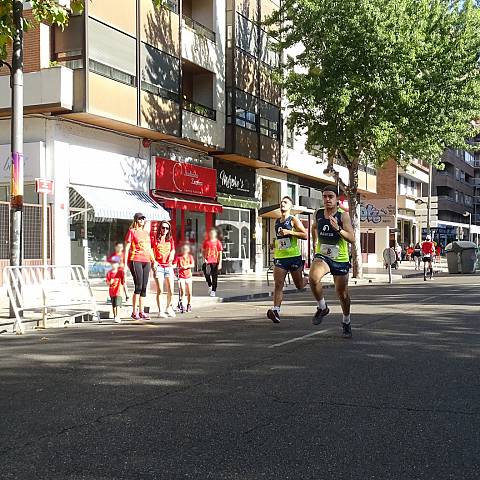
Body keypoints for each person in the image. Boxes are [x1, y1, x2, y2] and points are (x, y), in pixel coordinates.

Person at [309, 186, 355, 338]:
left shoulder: (344, 216)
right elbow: (314, 228)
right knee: (313, 278)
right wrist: (315, 246)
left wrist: (338, 229)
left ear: (336, 199)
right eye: (324, 196)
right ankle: (322, 307)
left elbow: (352, 238)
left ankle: (346, 321)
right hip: (323, 255)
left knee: (342, 294)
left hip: (340, 259)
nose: (327, 199)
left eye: (330, 196)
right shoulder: (319, 213)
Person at [267, 196, 308, 324]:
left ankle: (308, 279)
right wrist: (274, 244)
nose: (282, 204)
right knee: (278, 284)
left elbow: (304, 235)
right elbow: (280, 238)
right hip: (280, 257)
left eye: (285, 202)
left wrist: (291, 232)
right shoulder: (277, 221)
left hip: (293, 256)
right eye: (281, 202)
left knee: (299, 285)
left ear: (290, 206)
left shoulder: (293, 219)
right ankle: (276, 311)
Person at [124, 212, 158, 320]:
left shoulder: (146, 233)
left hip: (146, 260)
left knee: (144, 287)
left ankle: (142, 311)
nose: (142, 221)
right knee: (138, 286)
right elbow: (127, 248)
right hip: (136, 259)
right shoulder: (132, 231)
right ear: (136, 220)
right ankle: (134, 312)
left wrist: (154, 261)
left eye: (143, 219)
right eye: (140, 219)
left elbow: (149, 248)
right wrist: (124, 263)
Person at [152, 221, 176, 318]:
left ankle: (168, 308)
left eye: (167, 228)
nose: (165, 230)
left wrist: (172, 255)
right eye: (163, 228)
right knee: (160, 290)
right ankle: (160, 311)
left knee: (171, 290)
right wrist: (154, 261)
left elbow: (173, 250)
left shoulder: (170, 239)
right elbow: (151, 250)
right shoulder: (155, 239)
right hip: (159, 267)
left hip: (168, 266)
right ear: (160, 228)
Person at [202, 228, 223, 297]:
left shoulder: (218, 242)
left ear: (215, 234)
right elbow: (203, 251)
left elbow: (220, 253)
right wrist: (204, 258)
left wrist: (220, 263)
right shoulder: (206, 242)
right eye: (210, 233)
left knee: (214, 277)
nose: (211, 235)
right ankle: (210, 285)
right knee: (206, 273)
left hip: (215, 261)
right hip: (207, 261)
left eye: (213, 233)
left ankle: (213, 290)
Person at [175, 243, 195, 313]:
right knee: (182, 291)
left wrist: (187, 266)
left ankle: (189, 305)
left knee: (189, 292)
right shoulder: (179, 258)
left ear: (188, 250)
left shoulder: (190, 257)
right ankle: (182, 305)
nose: (184, 250)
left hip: (188, 276)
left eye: (186, 249)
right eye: (183, 249)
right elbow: (175, 265)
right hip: (181, 276)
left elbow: (192, 265)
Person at [105, 259, 125, 323]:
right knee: (113, 305)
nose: (114, 265)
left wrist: (125, 292)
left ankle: (118, 316)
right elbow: (107, 282)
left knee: (118, 305)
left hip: (118, 291)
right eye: (113, 263)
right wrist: (110, 282)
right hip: (112, 291)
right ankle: (115, 316)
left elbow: (123, 281)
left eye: (115, 263)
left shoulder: (120, 272)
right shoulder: (109, 273)